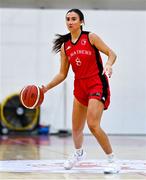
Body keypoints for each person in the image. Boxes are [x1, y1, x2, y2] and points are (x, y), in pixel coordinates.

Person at [42, 9, 120, 174]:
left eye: (74, 19)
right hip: (80, 86)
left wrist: (109, 64)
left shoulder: (90, 37)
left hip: (97, 83)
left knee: (92, 125)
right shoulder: (65, 46)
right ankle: (79, 154)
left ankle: (112, 160)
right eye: (68, 19)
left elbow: (112, 54)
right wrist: (46, 88)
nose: (70, 22)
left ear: (81, 21)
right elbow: (62, 74)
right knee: (76, 129)